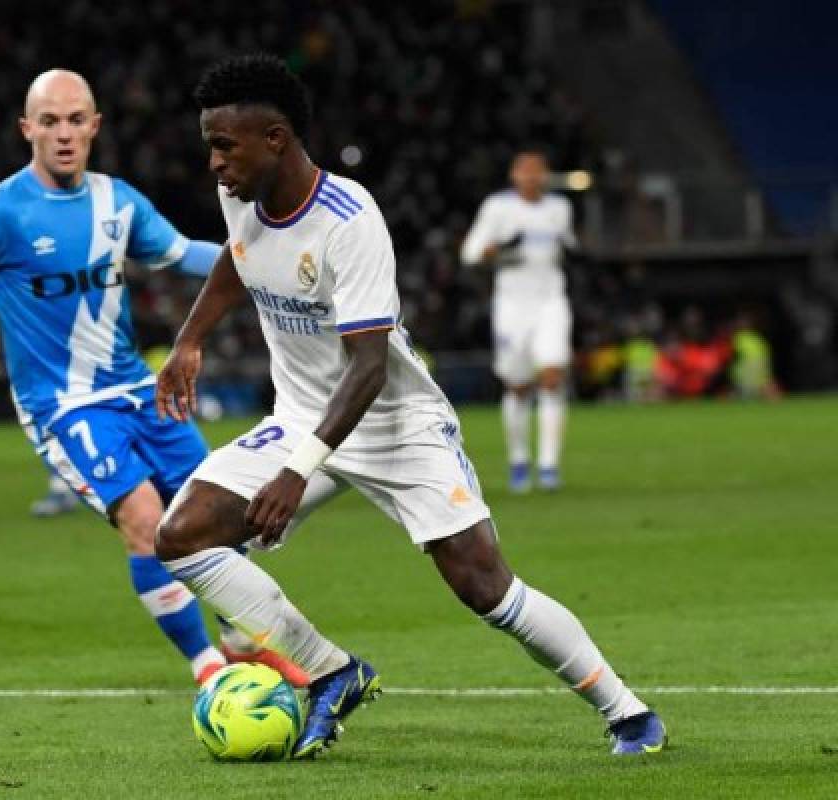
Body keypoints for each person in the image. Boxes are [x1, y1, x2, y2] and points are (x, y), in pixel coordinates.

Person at [154, 53, 665, 759]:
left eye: (223, 145)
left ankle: (629, 713)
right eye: (209, 143)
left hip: (393, 423)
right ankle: (332, 673)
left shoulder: (349, 219)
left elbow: (367, 366)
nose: (212, 162)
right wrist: (189, 340)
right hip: (302, 418)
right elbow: (237, 256)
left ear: (276, 139)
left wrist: (298, 470)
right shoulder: (242, 194)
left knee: (485, 588)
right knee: (180, 536)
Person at [0, 69, 305, 687]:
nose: (63, 133)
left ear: (94, 126)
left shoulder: (117, 202)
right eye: (49, 121)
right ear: (27, 129)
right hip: (64, 406)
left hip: (140, 391)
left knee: (218, 516)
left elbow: (180, 255)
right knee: (146, 522)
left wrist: (269, 258)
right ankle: (208, 671)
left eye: (75, 120)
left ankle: (238, 639)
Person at [461, 150, 576, 492]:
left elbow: (569, 245)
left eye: (537, 171)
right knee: (518, 386)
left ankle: (549, 466)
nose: (531, 177)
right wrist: (497, 249)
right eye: (525, 171)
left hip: (550, 301)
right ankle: (520, 460)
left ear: (546, 175)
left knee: (553, 376)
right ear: (514, 175)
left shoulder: (560, 209)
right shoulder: (498, 208)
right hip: (512, 306)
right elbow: (470, 254)